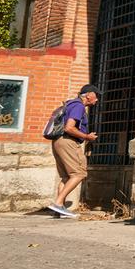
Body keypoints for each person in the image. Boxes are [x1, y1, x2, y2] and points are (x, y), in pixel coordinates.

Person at [47, 85, 100, 218]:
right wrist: (87, 137)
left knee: (66, 176)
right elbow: (69, 128)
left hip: (58, 141)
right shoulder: (78, 106)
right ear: (88, 95)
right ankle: (58, 204)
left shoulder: (70, 104)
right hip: (68, 141)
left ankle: (59, 210)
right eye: (96, 96)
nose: (97, 99)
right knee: (79, 173)